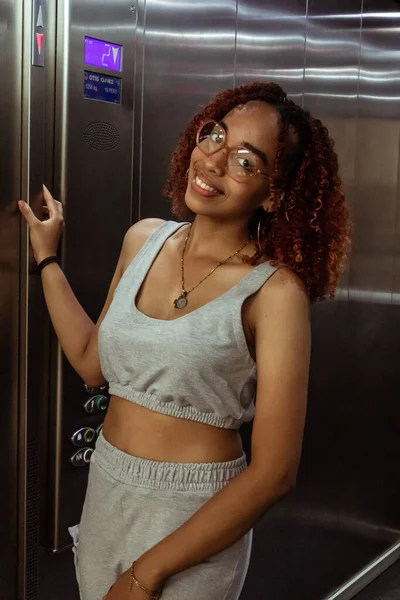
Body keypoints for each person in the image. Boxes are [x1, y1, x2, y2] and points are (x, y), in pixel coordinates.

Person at [17, 81, 351, 600]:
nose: (213, 161)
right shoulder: (143, 239)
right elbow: (91, 363)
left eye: (246, 160)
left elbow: (274, 473)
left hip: (196, 514)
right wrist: (46, 258)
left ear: (276, 192)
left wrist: (144, 574)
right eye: (214, 135)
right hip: (108, 488)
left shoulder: (275, 292)